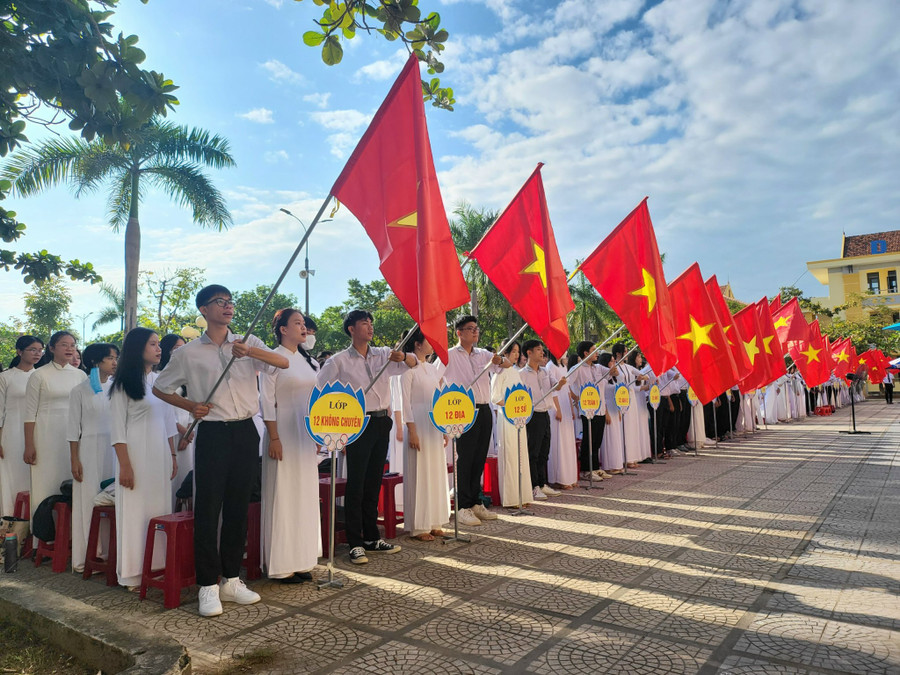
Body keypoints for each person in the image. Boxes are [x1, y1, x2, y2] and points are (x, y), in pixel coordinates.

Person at [153, 284, 289, 617]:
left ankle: (231, 579)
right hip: (212, 432)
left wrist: (250, 353)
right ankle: (207, 586)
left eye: (230, 302)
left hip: (245, 430)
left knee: (238, 506)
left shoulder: (248, 342)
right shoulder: (187, 353)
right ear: (203, 310)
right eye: (219, 302)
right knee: (209, 507)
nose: (227, 307)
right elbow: (160, 387)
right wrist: (190, 405)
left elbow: (282, 362)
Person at [317, 309, 416, 564]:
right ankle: (355, 542)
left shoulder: (384, 354)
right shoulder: (338, 361)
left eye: (371, 322)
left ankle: (372, 537)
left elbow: (415, 362)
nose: (369, 327)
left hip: (381, 421)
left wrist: (402, 355)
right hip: (356, 424)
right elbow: (322, 393)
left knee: (374, 480)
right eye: (364, 323)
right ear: (351, 328)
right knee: (357, 483)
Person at [110, 329, 177, 588]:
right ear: (138, 348)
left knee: (159, 509)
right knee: (136, 512)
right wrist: (125, 466)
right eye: (153, 344)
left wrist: (172, 455)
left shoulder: (161, 382)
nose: (159, 349)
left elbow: (169, 422)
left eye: (159, 344)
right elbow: (117, 430)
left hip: (159, 455)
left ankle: (157, 565)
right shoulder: (123, 384)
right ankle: (133, 572)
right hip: (135, 457)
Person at [260, 309, 322, 582]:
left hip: (305, 434)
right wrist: (274, 437)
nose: (303, 327)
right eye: (297, 323)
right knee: (283, 494)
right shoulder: (274, 359)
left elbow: (317, 400)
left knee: (304, 494)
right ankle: (282, 565)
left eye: (304, 324)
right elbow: (266, 401)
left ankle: (302, 559)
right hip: (282, 431)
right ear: (283, 329)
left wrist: (319, 435)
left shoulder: (310, 362)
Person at [433, 315, 511, 526]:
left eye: (476, 328)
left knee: (479, 457)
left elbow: (508, 364)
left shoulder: (484, 354)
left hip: (484, 409)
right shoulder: (448, 355)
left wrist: (499, 360)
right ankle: (462, 506)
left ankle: (476, 502)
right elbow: (434, 380)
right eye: (470, 329)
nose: (475, 332)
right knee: (465, 458)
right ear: (459, 333)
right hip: (463, 410)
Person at [24, 332, 87, 531]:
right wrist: (29, 444)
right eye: (63, 345)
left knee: (73, 482)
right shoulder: (39, 375)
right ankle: (43, 535)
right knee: (45, 484)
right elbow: (29, 414)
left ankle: (71, 536)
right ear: (51, 348)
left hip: (73, 436)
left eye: (73, 345)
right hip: (46, 435)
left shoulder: (80, 375)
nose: (70, 349)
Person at [67, 342, 118, 572]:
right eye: (110, 358)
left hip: (114, 449)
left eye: (116, 357)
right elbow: (72, 429)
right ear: (97, 361)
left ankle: (112, 553)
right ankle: (90, 555)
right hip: (88, 450)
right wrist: (74, 459)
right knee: (90, 500)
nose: (114, 362)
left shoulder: (119, 387)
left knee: (112, 500)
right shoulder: (79, 390)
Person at [399, 328, 450, 540]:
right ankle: (419, 526)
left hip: (433, 424)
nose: (432, 343)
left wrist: (444, 428)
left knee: (435, 471)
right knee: (420, 472)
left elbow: (439, 399)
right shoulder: (406, 370)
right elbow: (405, 403)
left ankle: (435, 520)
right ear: (417, 344)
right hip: (417, 423)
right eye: (428, 340)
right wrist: (411, 430)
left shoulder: (431, 369)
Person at [0, 336, 43, 516]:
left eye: (40, 350)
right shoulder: (5, 377)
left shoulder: (41, 375)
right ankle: (10, 524)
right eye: (32, 349)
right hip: (11, 433)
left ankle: (34, 525)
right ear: (19, 351)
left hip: (37, 433)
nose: (37, 353)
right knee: (11, 478)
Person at [518, 340, 565, 502]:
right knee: (533, 452)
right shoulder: (521, 374)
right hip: (532, 415)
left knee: (544, 450)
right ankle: (533, 486)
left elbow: (555, 388)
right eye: (538, 350)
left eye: (542, 350)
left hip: (545, 413)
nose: (542, 353)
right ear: (528, 353)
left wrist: (560, 384)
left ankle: (542, 483)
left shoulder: (545, 372)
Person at [490, 342, 532, 507]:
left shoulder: (515, 372)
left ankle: (523, 495)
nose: (516, 355)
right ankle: (511, 498)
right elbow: (495, 398)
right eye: (513, 351)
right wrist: (509, 406)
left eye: (517, 351)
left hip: (519, 419)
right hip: (506, 419)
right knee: (510, 456)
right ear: (504, 353)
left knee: (521, 455)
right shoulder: (499, 371)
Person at [157, 334, 193, 508]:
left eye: (183, 347)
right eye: (176, 348)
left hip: (190, 432)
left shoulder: (189, 374)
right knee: (172, 473)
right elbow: (164, 409)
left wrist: (189, 431)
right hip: (171, 432)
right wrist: (181, 431)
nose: (181, 351)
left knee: (187, 475)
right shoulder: (159, 376)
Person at [568, 342, 611, 480]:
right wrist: (575, 397)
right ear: (586, 353)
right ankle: (586, 470)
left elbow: (611, 373)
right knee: (589, 439)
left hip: (601, 409)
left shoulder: (598, 367)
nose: (597, 352)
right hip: (588, 409)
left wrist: (614, 369)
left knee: (597, 439)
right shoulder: (578, 368)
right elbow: (565, 383)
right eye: (594, 350)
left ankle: (596, 467)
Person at [547, 352, 578, 487]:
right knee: (558, 443)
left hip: (566, 405)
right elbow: (553, 390)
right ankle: (558, 479)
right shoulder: (550, 366)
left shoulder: (563, 367)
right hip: (556, 406)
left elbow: (567, 390)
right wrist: (557, 409)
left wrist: (571, 408)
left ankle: (569, 477)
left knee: (567, 442)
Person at [598, 353, 625, 474]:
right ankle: (609, 465)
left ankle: (617, 463)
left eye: (615, 361)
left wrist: (619, 411)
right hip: (607, 407)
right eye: (611, 361)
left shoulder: (612, 378)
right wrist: (606, 413)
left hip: (615, 409)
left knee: (616, 437)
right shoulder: (602, 378)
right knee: (609, 438)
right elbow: (602, 396)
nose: (614, 364)